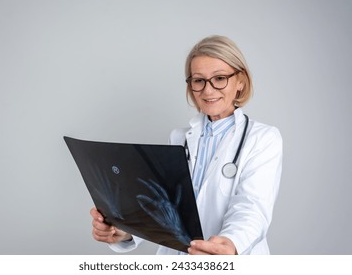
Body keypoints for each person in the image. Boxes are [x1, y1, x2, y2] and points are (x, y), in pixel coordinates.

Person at [90, 35, 283, 255]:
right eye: (198, 80)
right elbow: (162, 206)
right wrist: (126, 231)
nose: (208, 90)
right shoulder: (179, 138)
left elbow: (253, 207)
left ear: (240, 81)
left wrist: (230, 244)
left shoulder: (263, 138)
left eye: (219, 78)